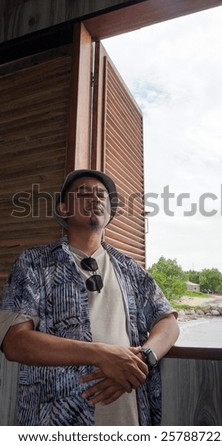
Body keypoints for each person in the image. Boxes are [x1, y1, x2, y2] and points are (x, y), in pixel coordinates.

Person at [0, 169, 179, 426]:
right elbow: (14, 341)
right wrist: (101, 355)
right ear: (63, 209)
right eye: (83, 193)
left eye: (101, 196)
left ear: (110, 213)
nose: (95, 199)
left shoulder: (130, 268)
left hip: (129, 416)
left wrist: (141, 359)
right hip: (55, 422)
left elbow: (168, 321)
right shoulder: (33, 263)